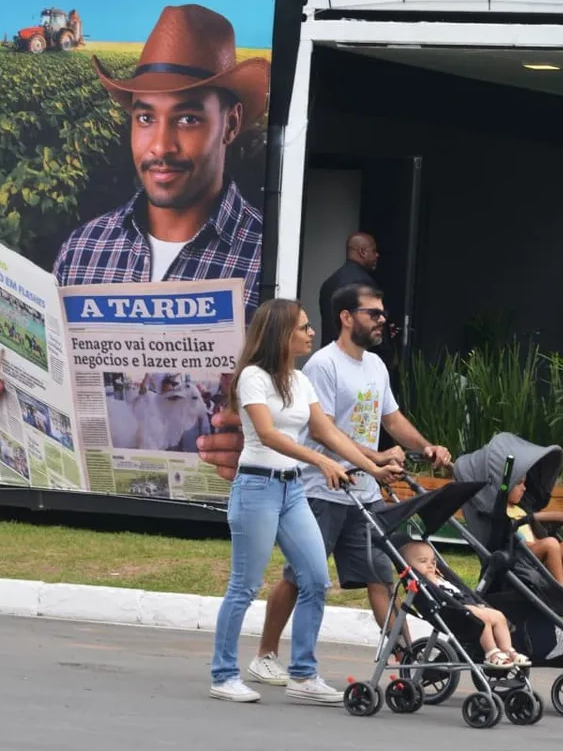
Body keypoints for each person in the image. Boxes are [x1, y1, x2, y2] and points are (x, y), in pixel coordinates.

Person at [0, 4, 268, 462]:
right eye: (145, 118)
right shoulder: (83, 250)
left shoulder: (266, 260)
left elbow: (308, 424)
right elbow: (50, 427)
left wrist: (260, 449)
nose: (160, 146)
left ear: (231, 124)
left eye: (187, 118)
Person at [246, 283, 452, 687]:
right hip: (322, 491)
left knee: (381, 578)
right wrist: (375, 458)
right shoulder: (323, 365)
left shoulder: (375, 365)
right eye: (373, 314)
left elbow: (391, 421)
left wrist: (426, 446)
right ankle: (265, 655)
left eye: (382, 314)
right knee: (299, 577)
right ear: (346, 317)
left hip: (365, 494)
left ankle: (406, 659)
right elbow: (324, 433)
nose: (381, 321)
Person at [210, 298, 402, 703]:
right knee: (244, 586)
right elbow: (267, 434)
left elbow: (329, 433)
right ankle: (223, 674)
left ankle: (303, 674)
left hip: (292, 490)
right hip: (258, 487)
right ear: (282, 333)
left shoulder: (299, 380)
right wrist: (320, 461)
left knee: (316, 579)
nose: (311, 333)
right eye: (303, 327)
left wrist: (372, 465)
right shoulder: (253, 378)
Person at [401, 540, 531, 669]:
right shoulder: (421, 581)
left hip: (464, 605)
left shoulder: (440, 577)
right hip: (451, 611)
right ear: (409, 566)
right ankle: (492, 653)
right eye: (423, 561)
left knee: (498, 615)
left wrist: (474, 603)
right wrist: (430, 580)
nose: (430, 566)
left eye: (433, 562)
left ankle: (508, 650)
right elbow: (437, 596)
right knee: (480, 618)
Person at [507, 478, 563, 600]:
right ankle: (561, 586)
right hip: (520, 555)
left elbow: (530, 535)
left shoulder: (520, 510)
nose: (524, 488)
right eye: (519, 484)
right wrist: (541, 544)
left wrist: (539, 542)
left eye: (524, 483)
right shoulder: (501, 512)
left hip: (534, 551)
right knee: (551, 543)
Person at [318, 233, 381, 348]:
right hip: (354, 354)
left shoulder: (328, 283)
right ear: (362, 252)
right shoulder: (365, 286)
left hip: (331, 351)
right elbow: (370, 325)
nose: (377, 255)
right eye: (374, 251)